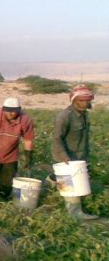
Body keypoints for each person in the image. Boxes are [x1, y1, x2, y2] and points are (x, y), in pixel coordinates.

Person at [49, 84, 98, 220]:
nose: (85, 103)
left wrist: (86, 158)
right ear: (74, 100)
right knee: (71, 186)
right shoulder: (65, 116)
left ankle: (49, 185)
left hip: (80, 155)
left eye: (87, 100)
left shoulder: (84, 115)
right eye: (81, 100)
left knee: (71, 182)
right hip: (66, 156)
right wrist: (65, 157)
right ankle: (75, 214)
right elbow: (57, 139)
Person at [0, 97, 35, 199]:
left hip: (10, 154)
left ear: (19, 110)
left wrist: (28, 158)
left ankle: (2, 198)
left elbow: (28, 140)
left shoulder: (25, 120)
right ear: (4, 109)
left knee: (7, 182)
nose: (11, 113)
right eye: (8, 111)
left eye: (14, 111)